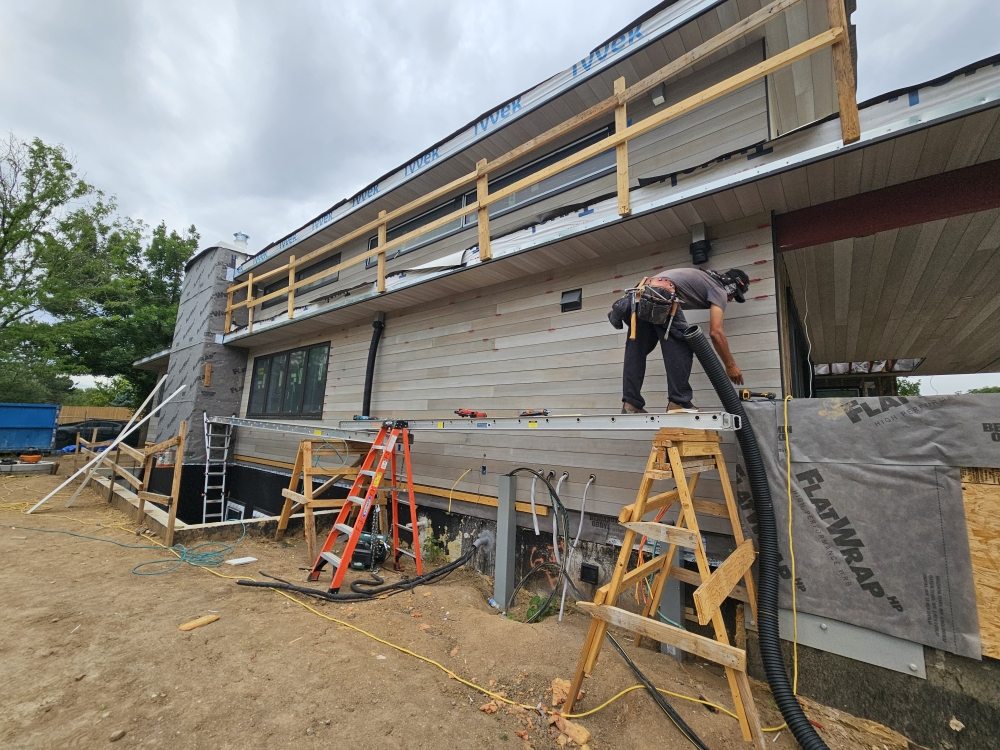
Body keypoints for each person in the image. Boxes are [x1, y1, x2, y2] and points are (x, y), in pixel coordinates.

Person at [608, 267, 750, 413]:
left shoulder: (703, 278)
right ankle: (679, 401)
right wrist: (731, 365)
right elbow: (716, 332)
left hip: (638, 296)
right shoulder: (719, 289)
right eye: (733, 296)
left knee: (636, 352)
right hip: (661, 294)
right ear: (732, 286)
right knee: (682, 346)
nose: (730, 299)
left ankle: (631, 404)